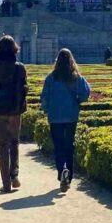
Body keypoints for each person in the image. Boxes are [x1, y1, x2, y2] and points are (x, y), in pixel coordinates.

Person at [40, 49, 91, 192]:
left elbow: (44, 98)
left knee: (58, 146)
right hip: (71, 116)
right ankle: (68, 176)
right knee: (69, 145)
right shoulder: (76, 77)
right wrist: (77, 100)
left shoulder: (51, 78)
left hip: (55, 117)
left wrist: (46, 109)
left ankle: (62, 170)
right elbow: (86, 93)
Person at [0, 36, 28, 193]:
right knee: (14, 142)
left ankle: (6, 184)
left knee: (2, 146)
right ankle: (14, 174)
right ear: (14, 49)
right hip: (15, 109)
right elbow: (25, 87)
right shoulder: (20, 67)